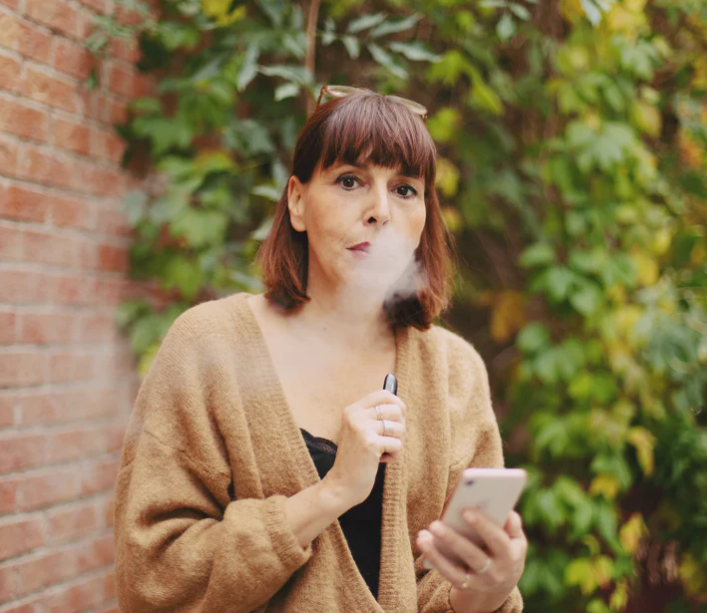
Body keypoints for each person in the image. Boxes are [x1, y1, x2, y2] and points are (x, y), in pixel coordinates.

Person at [113, 85, 527, 613]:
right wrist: (330, 493)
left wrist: (487, 588)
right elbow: (152, 576)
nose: (380, 211)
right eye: (350, 181)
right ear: (298, 201)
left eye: (405, 189)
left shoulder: (454, 372)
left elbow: (443, 588)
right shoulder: (208, 346)